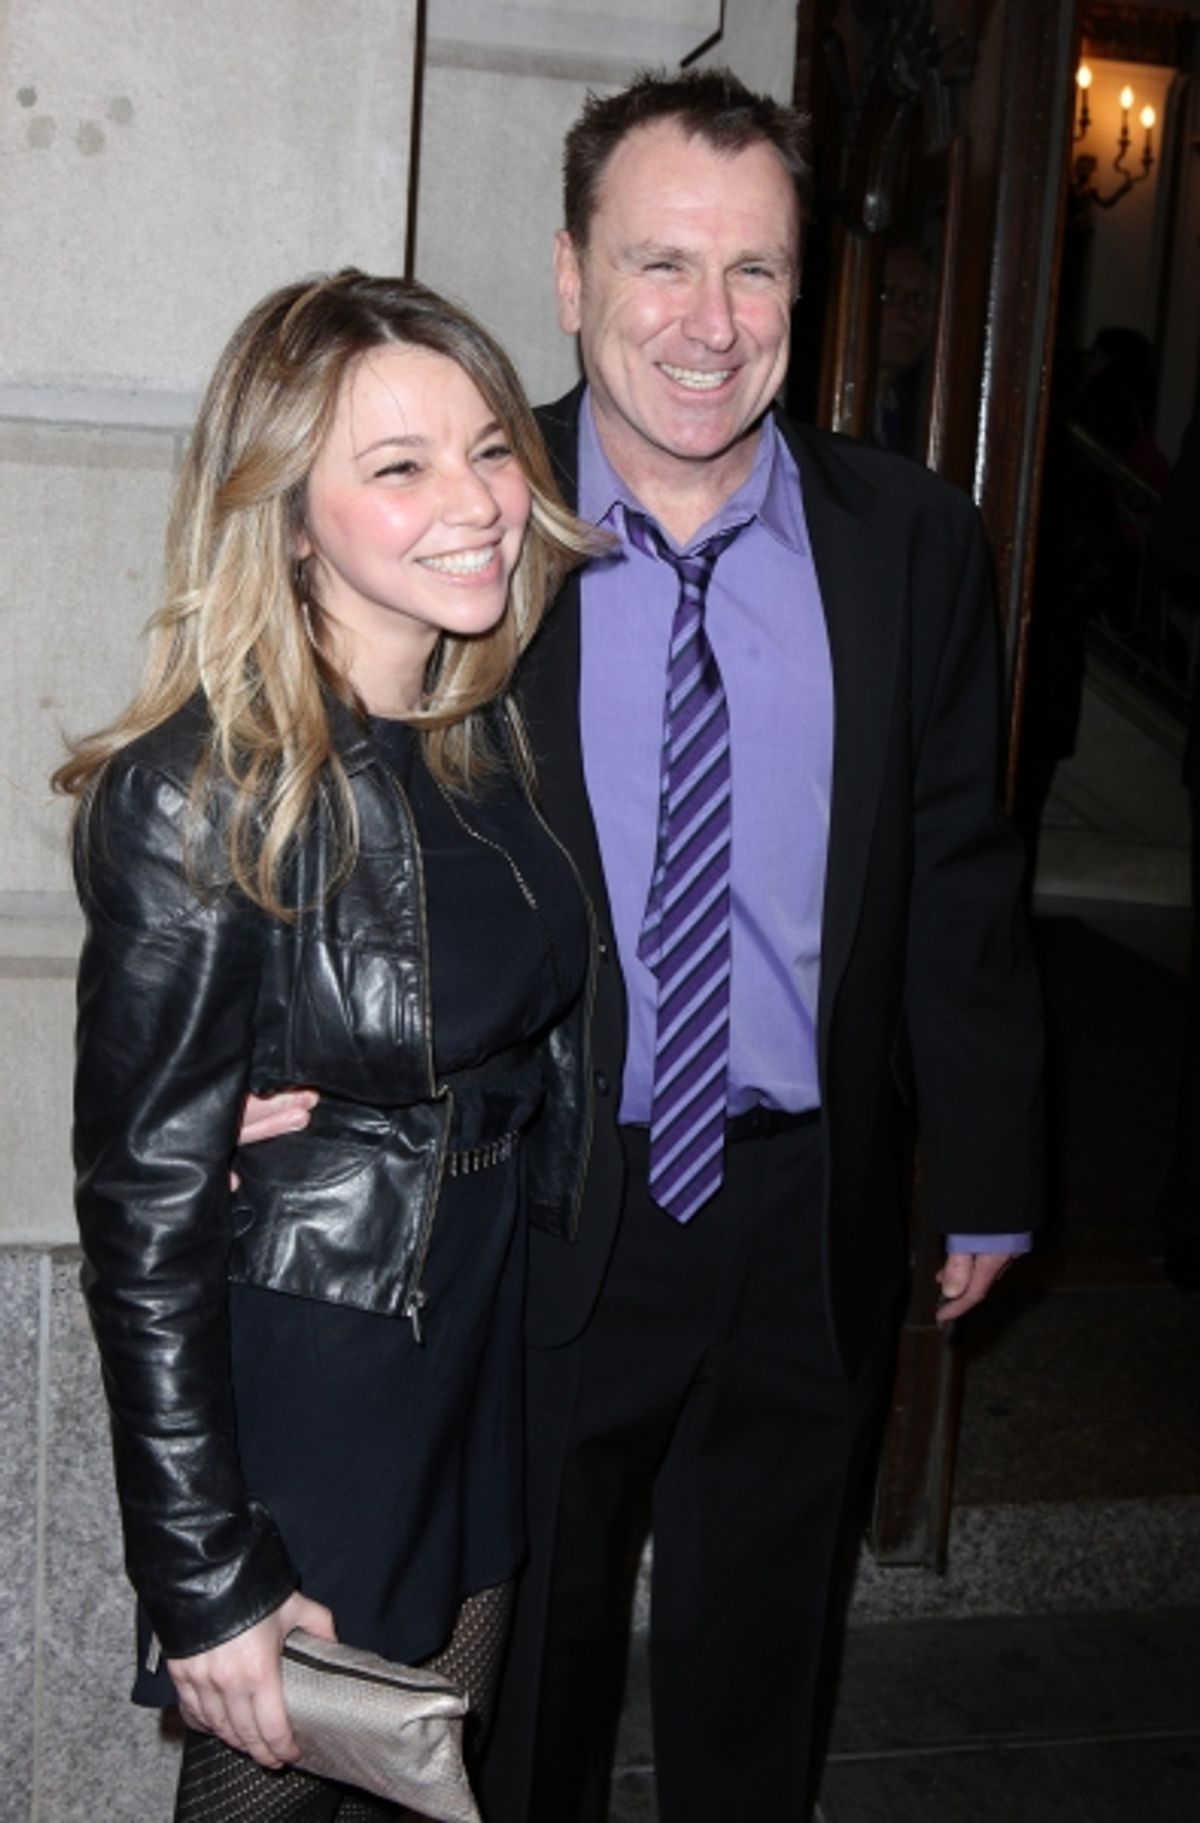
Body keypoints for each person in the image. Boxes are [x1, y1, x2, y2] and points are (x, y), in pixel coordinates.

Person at [249, 68, 1044, 1823]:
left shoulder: (909, 544)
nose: (708, 322)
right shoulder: (471, 528)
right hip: (539, 1204)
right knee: (524, 1680)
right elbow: (300, 798)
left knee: (762, 1664)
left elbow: (956, 871)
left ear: (800, 294)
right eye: (660, 264)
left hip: (802, 1196)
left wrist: (986, 1169)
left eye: (754, 271)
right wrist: (252, 1054)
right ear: (569, 275)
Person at [55, 269, 597, 1822]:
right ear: (289, 516)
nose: (477, 502)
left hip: (472, 1350)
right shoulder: (203, 787)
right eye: (398, 465)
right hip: (318, 1389)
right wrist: (206, 1566)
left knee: (423, 1795)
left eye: (492, 446)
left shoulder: (486, 734)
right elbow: (142, 1220)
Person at [871, 243, 935, 456]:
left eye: (922, 299)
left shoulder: (925, 417)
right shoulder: (811, 405)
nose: (910, 313)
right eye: (890, 294)